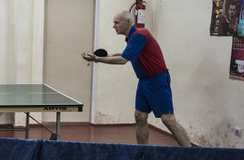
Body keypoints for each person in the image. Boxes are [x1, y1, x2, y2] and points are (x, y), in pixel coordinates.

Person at [81, 10, 191, 146]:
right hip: (144, 81)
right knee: (140, 116)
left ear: (128, 22)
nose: (113, 26)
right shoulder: (132, 37)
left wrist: (97, 59)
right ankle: (142, 152)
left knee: (168, 119)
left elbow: (123, 60)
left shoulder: (140, 34)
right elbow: (126, 53)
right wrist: (106, 55)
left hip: (157, 80)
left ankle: (190, 152)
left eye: (116, 23)